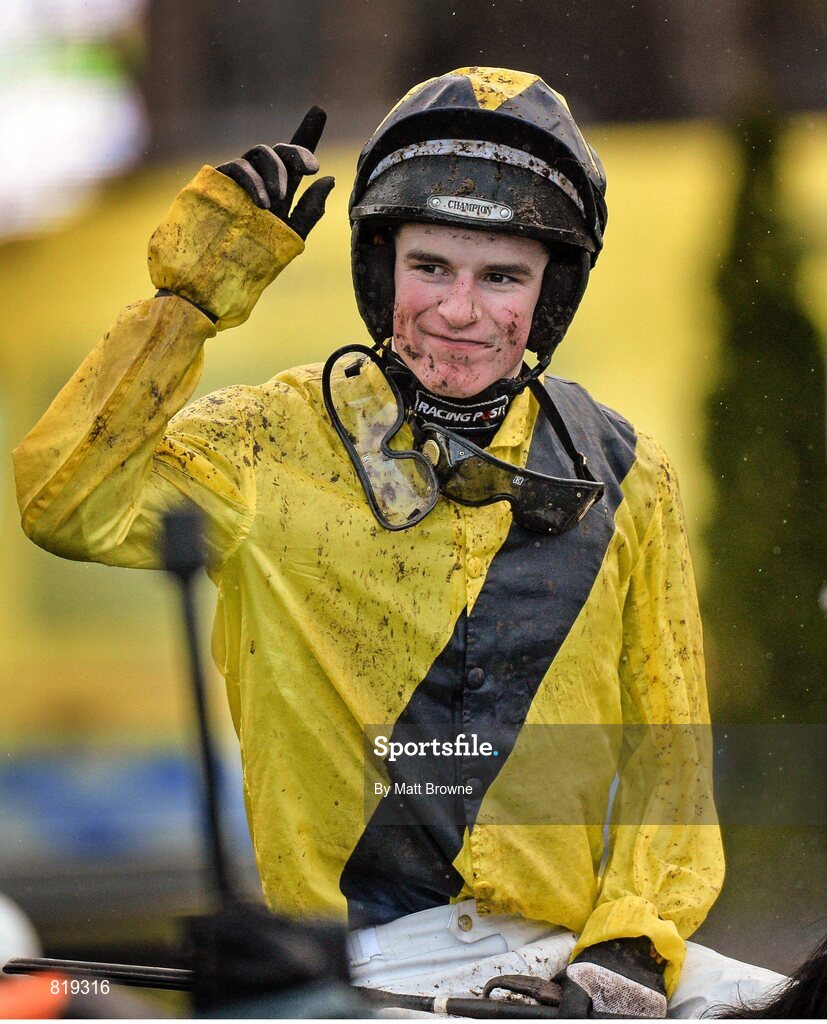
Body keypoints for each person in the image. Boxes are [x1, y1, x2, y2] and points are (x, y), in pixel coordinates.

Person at [12, 67, 784, 1017]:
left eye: (501, 277)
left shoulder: (625, 471)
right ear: (381, 273)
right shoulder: (264, 440)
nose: (460, 313)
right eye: (431, 269)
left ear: (549, 298)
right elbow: (63, 502)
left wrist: (619, 960)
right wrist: (195, 294)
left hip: (570, 967)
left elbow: (668, 751)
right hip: (357, 967)